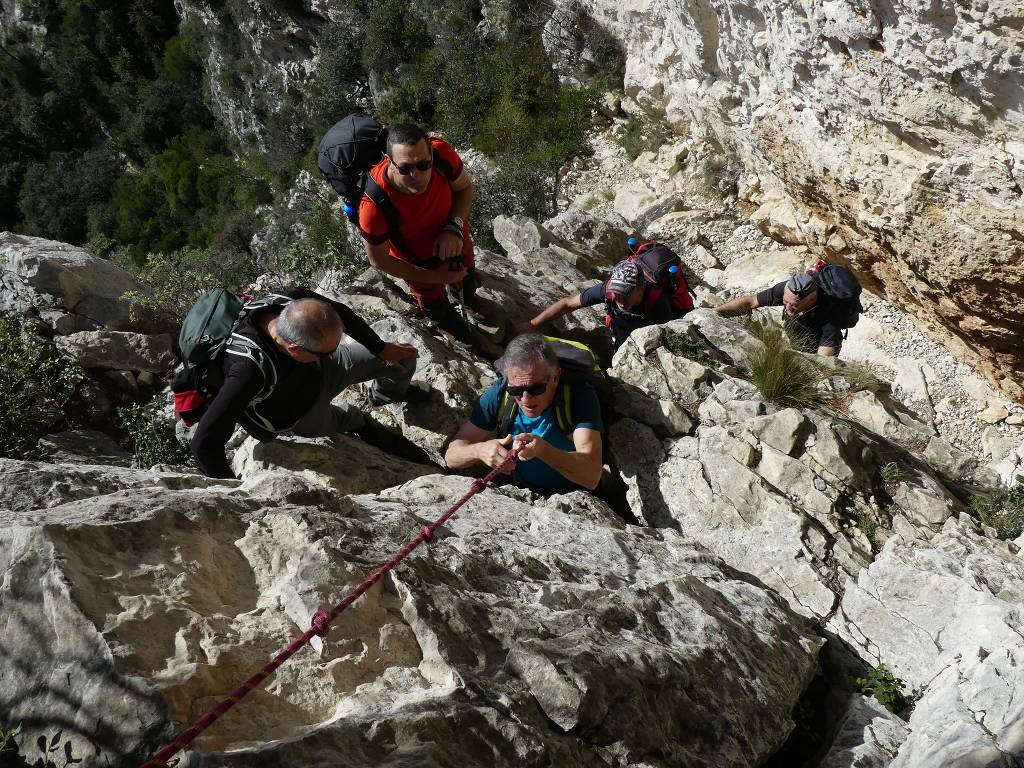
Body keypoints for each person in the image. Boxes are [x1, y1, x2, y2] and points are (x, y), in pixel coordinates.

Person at [190, 288, 420, 478]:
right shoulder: (248, 372)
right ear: (295, 349)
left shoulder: (293, 301)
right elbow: (203, 443)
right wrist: (237, 495)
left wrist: (381, 348)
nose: (333, 353)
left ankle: (382, 398)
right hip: (296, 411)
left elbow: (340, 313)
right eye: (326, 351)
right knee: (348, 417)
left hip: (315, 370)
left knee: (404, 358)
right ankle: (360, 423)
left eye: (334, 347)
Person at [358, 122, 477, 336]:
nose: (417, 176)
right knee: (441, 313)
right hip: (420, 267)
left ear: (431, 152)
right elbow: (379, 261)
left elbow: (465, 188)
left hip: (457, 243)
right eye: (405, 168)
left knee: (468, 285)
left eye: (423, 165)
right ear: (389, 162)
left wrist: (454, 226)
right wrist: (435, 276)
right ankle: (468, 343)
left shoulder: (442, 154)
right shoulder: (374, 206)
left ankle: (471, 307)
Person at [445, 334, 603, 494]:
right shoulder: (499, 394)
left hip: (574, 498)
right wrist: (479, 450)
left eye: (536, 389)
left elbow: (592, 476)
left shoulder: (579, 397)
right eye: (516, 390)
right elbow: (451, 456)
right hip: (519, 490)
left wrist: (543, 450)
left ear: (556, 377)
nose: (525, 398)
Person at [515, 259, 683, 352]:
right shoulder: (608, 290)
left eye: (625, 294)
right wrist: (532, 325)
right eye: (616, 292)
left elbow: (665, 342)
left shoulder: (659, 306)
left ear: (641, 289)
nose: (618, 298)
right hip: (621, 341)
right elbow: (567, 303)